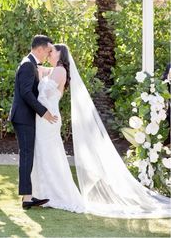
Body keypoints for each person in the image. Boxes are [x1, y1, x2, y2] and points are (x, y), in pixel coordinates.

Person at [31, 43, 171, 218]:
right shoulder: (54, 71)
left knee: (50, 156)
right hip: (46, 119)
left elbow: (42, 94)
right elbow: (37, 68)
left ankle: (58, 195)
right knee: (47, 156)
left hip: (48, 119)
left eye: (52, 51)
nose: (49, 54)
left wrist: (35, 87)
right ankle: (46, 193)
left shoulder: (59, 71)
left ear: (61, 55)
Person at [10, 34, 58, 209]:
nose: (48, 54)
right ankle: (27, 198)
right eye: (47, 50)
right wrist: (43, 112)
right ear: (39, 49)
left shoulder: (31, 64)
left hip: (25, 117)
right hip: (23, 117)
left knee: (28, 155)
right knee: (26, 155)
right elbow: (26, 93)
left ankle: (28, 196)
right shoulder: (27, 65)